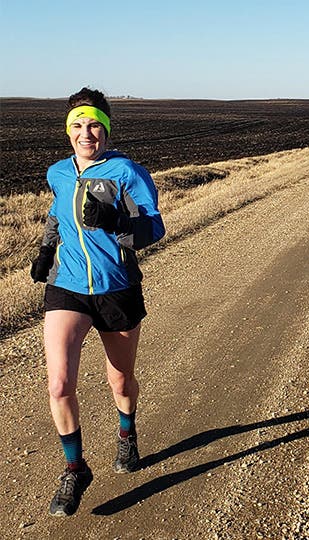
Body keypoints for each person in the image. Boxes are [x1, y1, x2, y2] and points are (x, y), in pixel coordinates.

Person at [30, 87, 165, 517]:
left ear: (106, 131)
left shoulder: (127, 172)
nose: (85, 133)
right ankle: (74, 468)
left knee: (121, 381)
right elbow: (57, 213)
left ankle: (127, 433)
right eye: (77, 125)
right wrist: (46, 251)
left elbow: (153, 227)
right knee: (58, 384)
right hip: (67, 287)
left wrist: (116, 221)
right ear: (67, 131)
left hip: (116, 287)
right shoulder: (58, 172)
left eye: (94, 125)